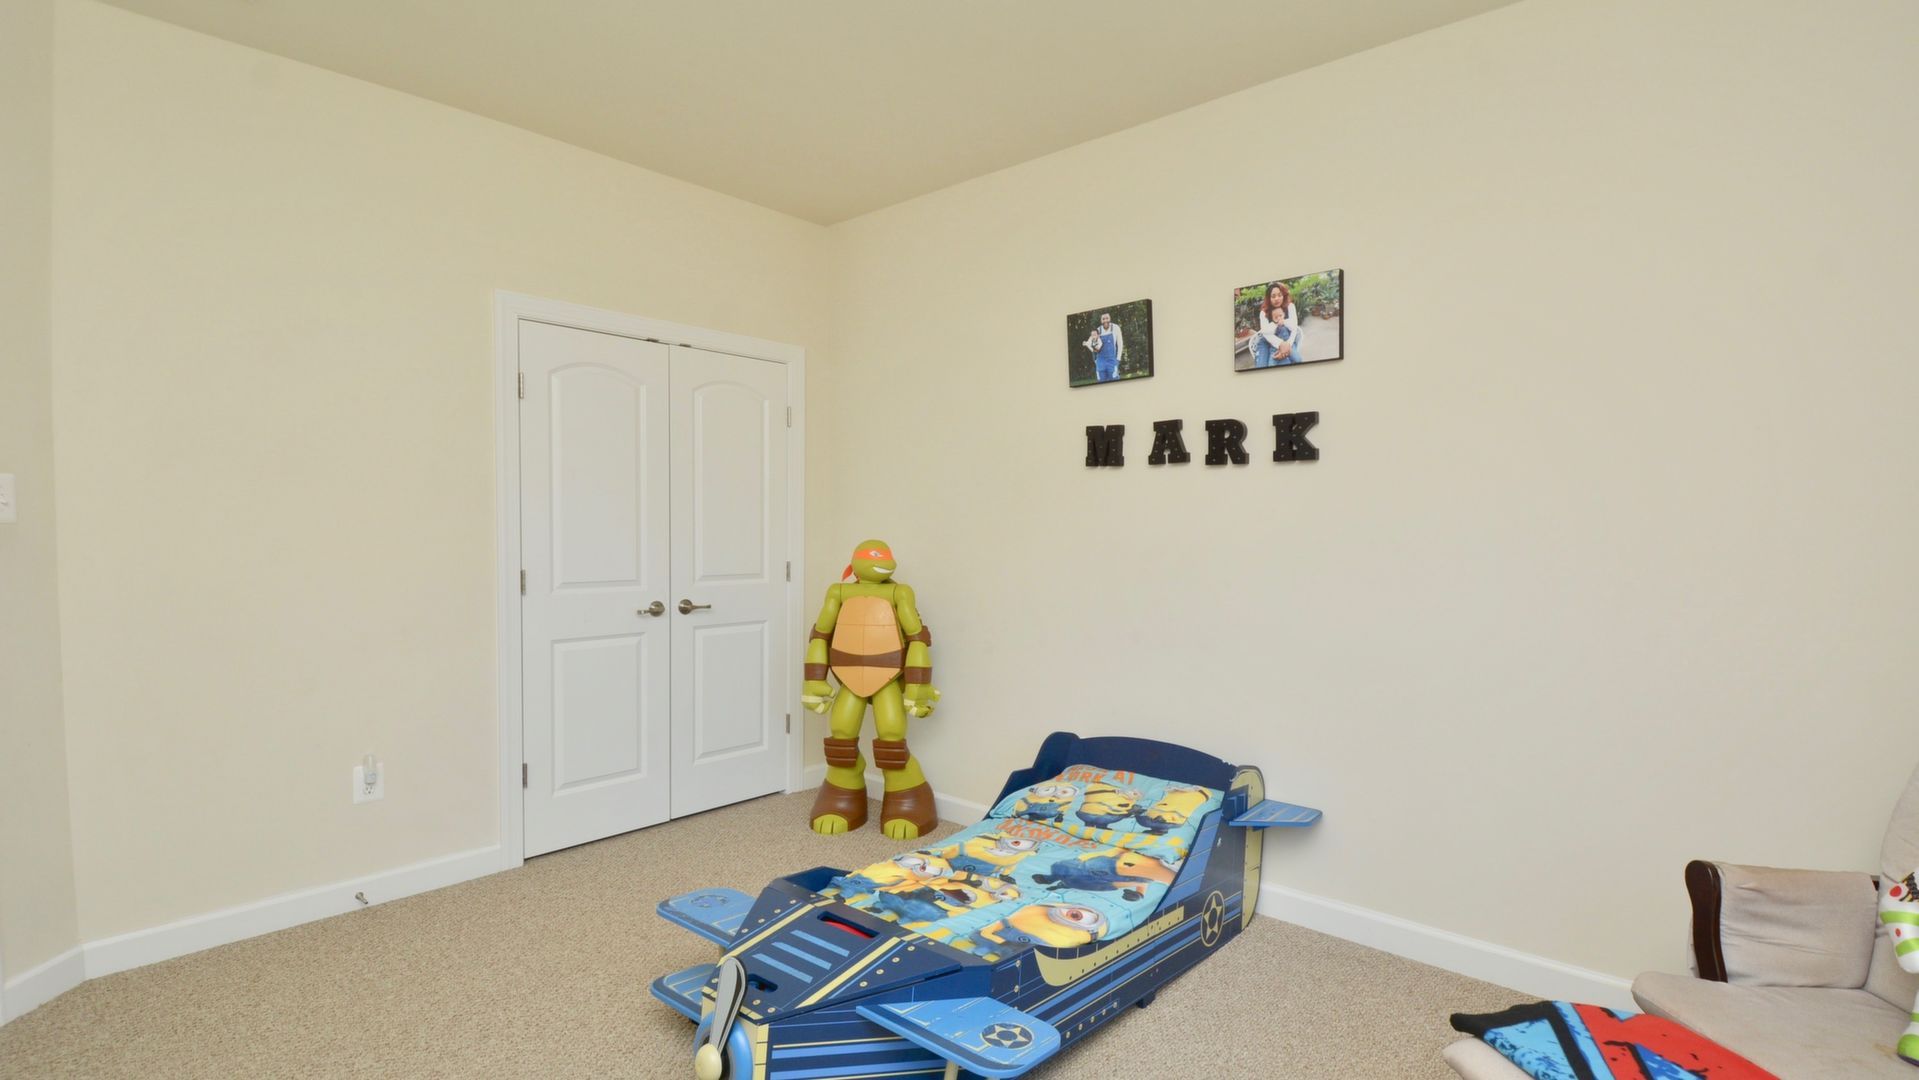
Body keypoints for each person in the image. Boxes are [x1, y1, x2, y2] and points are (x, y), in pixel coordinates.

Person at [1251, 283, 1303, 368]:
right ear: (1269, 298)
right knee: (1261, 366)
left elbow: (1294, 328)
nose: (1277, 299)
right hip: (1266, 341)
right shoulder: (1264, 312)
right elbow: (1266, 333)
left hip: (1287, 339)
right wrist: (1280, 344)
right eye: (1273, 296)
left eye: (1279, 295)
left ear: (1284, 295)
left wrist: (1286, 346)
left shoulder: (1290, 306)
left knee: (1295, 360)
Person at [1083, 312, 1124, 381]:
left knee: (1115, 380)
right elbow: (1089, 343)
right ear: (1101, 320)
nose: (1105, 320)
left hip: (1112, 361)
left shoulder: (1116, 328)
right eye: (1103, 319)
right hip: (1100, 362)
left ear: (1110, 318)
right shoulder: (1098, 330)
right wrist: (1095, 359)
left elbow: (1120, 344)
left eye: (1107, 318)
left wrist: (1118, 359)